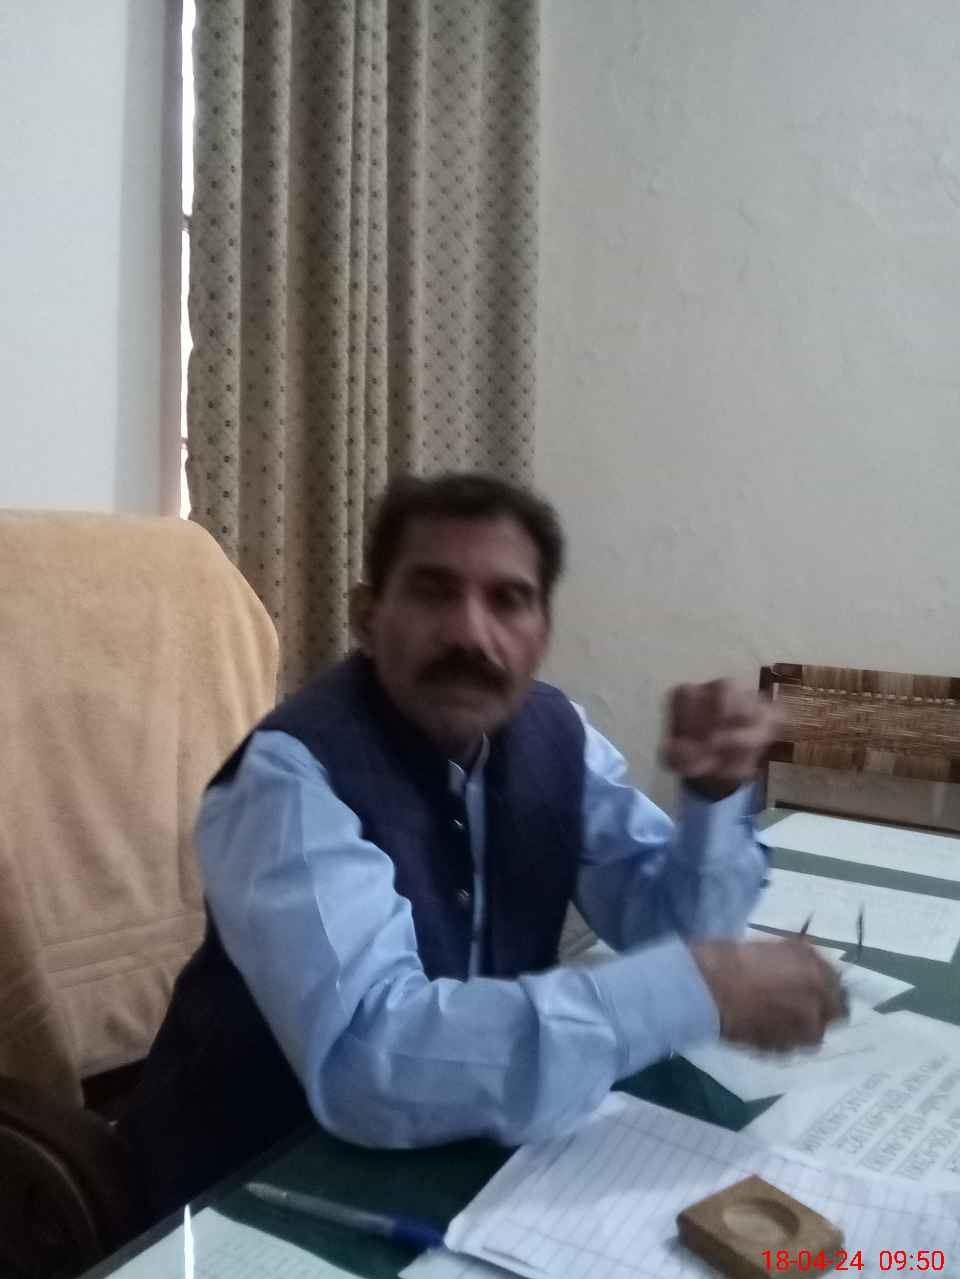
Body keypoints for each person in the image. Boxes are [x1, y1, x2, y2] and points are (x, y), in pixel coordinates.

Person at [120, 472, 845, 1220]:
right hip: (246, 1187)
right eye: (433, 592)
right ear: (368, 617)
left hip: (464, 1162)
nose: (472, 633)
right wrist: (702, 985)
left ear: (542, 634)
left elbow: (672, 934)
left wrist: (714, 800)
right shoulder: (290, 778)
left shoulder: (556, 735)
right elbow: (366, 1061)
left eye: (508, 600)